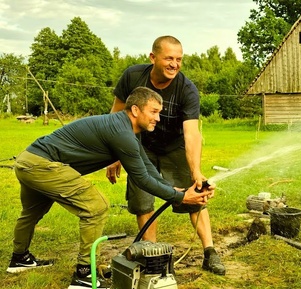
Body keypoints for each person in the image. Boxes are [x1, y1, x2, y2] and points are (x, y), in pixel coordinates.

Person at [6, 87, 213, 289]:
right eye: (154, 112)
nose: (158, 119)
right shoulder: (122, 132)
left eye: (159, 113)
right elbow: (141, 178)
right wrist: (180, 198)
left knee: (32, 213)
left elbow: (146, 168)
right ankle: (84, 275)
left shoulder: (128, 130)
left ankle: (20, 258)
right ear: (135, 110)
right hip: (41, 164)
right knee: (96, 207)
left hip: (28, 161)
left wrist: (173, 190)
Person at [106, 35, 225, 275]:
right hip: (139, 147)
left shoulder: (186, 89)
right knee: (142, 202)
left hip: (175, 147)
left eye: (179, 59)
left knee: (195, 196)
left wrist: (196, 172)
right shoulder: (132, 76)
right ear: (153, 58)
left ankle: (210, 251)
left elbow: (191, 133)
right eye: (169, 58)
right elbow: (116, 115)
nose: (174, 64)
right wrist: (114, 153)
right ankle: (151, 255)